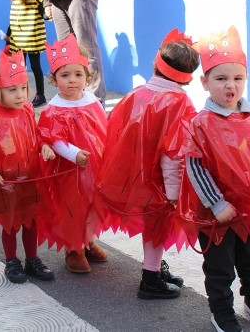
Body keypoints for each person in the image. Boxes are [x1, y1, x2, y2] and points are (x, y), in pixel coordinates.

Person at [177, 26, 250, 332]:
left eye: (237, 78)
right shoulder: (199, 124)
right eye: (221, 79)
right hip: (217, 215)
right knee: (219, 266)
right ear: (205, 82)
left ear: (245, 79)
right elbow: (196, 167)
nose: (230, 86)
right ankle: (221, 310)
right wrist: (216, 203)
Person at [95, 29, 199, 299]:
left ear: (156, 63)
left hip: (133, 177)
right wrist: (175, 195)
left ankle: (153, 268)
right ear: (188, 77)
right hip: (160, 182)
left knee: (154, 228)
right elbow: (174, 155)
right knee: (157, 227)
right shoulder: (180, 103)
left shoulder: (136, 93)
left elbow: (115, 134)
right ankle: (150, 279)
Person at [0, 49, 56, 284]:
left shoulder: (27, 111)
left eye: (23, 88)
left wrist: (44, 146)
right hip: (2, 184)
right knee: (9, 225)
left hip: (28, 181)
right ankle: (11, 260)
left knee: (30, 222)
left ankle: (32, 259)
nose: (20, 95)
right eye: (12, 90)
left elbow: (35, 136)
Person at [36, 33, 108, 273]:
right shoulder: (54, 109)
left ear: (87, 77)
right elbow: (51, 139)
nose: (72, 80)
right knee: (73, 207)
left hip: (94, 167)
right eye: (65, 75)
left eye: (78, 75)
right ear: (54, 79)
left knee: (91, 204)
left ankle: (87, 241)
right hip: (69, 172)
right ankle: (73, 249)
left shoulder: (92, 100)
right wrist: (73, 154)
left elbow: (103, 127)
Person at [3, 0, 47, 107]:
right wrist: (8, 35)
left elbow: (43, 14)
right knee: (19, 68)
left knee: (35, 67)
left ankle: (41, 95)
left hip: (32, 39)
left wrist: (49, 12)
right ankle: (19, 94)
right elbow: (13, 19)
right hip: (18, 40)